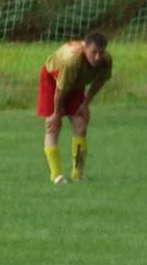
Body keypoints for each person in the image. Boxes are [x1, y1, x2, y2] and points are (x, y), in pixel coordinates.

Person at [37, 32, 113, 185]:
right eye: (93, 52)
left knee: (80, 125)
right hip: (52, 80)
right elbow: (60, 91)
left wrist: (85, 103)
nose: (97, 57)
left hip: (76, 83)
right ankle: (56, 176)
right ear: (85, 49)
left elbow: (100, 81)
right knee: (53, 127)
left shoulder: (106, 60)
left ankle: (77, 175)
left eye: (101, 52)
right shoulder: (71, 61)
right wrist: (56, 114)